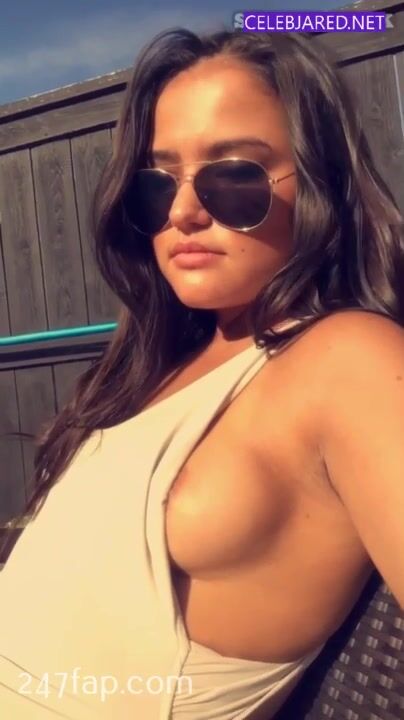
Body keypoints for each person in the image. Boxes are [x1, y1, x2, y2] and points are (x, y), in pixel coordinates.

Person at [0, 26, 403, 720]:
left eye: (235, 175)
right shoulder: (157, 364)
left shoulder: (351, 360)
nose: (183, 212)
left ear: (320, 183)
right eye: (157, 184)